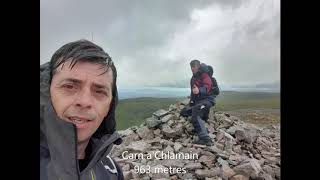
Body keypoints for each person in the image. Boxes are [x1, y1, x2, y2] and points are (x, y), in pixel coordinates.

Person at [40, 39, 124, 180]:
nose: (85, 102)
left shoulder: (112, 171)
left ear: (109, 106)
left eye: (99, 91)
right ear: (47, 94)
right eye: (69, 86)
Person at [180, 59, 216, 146]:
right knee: (184, 112)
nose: (192, 69)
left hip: (208, 100)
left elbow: (207, 86)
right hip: (198, 101)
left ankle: (205, 138)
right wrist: (191, 99)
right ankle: (203, 116)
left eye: (194, 66)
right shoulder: (193, 78)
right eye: (191, 67)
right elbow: (193, 91)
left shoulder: (205, 75)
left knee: (195, 111)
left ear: (198, 66)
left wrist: (199, 90)